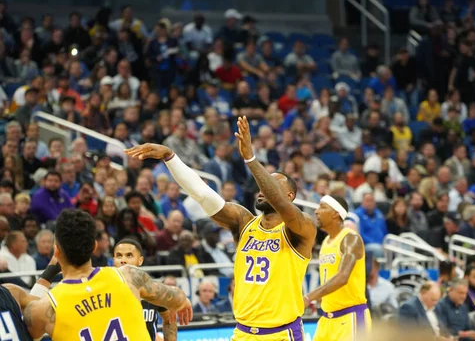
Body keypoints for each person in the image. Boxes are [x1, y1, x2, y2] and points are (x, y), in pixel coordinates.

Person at [125, 115, 317, 341]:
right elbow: (203, 194)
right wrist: (170, 157)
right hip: (243, 332)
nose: (262, 188)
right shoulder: (244, 222)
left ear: (290, 195)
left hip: (282, 334)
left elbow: (281, 204)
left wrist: (251, 159)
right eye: (263, 184)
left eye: (272, 184)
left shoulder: (301, 228)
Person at [6, 209, 192, 340]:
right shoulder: (129, 276)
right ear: (95, 247)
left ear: (56, 252)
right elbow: (177, 299)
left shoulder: (43, 309)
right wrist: (183, 301)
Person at [304, 195, 370, 341]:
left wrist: (309, 297)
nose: (316, 211)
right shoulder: (326, 242)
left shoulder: (350, 238)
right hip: (327, 318)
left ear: (336, 213)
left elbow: (342, 277)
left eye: (322, 207)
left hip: (349, 317)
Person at [113, 238, 178, 341]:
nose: (123, 260)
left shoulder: (153, 289)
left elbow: (170, 319)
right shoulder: (105, 288)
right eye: (119, 255)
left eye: (129, 255)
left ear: (140, 261)